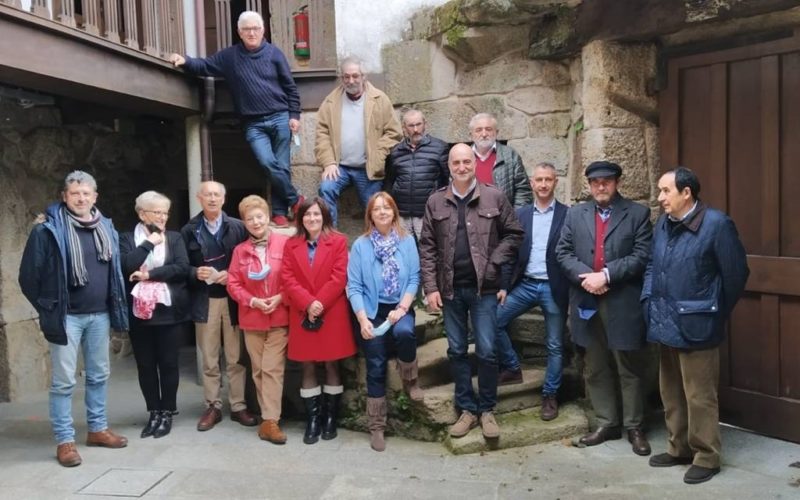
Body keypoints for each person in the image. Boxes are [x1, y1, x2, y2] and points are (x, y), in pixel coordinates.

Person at [643, 167, 749, 484]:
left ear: (686, 193)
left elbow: (736, 275)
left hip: (698, 325)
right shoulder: (664, 223)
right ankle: (678, 448)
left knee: (700, 395)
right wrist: (647, 299)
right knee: (671, 391)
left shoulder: (717, 224)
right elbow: (651, 264)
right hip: (664, 320)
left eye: (665, 191)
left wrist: (713, 311)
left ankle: (707, 455)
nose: (660, 197)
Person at [19, 170, 129, 467]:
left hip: (100, 315)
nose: (81, 198)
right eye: (75, 193)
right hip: (67, 317)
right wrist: (49, 308)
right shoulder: (46, 230)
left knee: (98, 375)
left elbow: (113, 269)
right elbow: (29, 276)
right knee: (64, 381)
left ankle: (97, 429)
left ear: (95, 196)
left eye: (86, 193)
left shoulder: (105, 226)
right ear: (64, 197)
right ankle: (65, 441)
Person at [419, 143, 523, 440]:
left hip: (484, 290)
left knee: (488, 350)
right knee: (456, 350)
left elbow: (514, 233)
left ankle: (487, 409)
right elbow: (427, 247)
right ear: (449, 166)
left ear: (474, 164)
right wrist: (430, 288)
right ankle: (467, 409)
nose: (462, 167)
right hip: (450, 290)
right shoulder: (436, 201)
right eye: (456, 162)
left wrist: (494, 262)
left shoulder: (494, 196)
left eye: (467, 161)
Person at [169, 11, 302, 228]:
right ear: (239, 32)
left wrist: (294, 115)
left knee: (282, 167)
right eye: (247, 29)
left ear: (263, 31)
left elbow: (290, 87)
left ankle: (279, 212)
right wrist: (185, 61)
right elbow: (205, 66)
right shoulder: (230, 57)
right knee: (268, 163)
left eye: (255, 29)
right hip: (253, 123)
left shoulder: (275, 54)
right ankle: (296, 201)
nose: (252, 33)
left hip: (280, 116)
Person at [556, 161, 653, 456]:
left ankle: (634, 426)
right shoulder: (575, 214)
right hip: (586, 299)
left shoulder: (637, 214)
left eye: (607, 181)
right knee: (595, 365)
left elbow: (641, 255)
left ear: (617, 183)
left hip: (621, 300)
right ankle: (607, 422)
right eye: (595, 182)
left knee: (629, 366)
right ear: (588, 185)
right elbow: (563, 252)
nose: (601, 186)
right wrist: (587, 277)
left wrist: (607, 275)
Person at [347, 192, 422, 452]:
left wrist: (403, 307)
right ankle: (377, 425)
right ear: (370, 215)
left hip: (399, 306)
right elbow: (354, 287)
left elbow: (414, 278)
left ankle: (410, 379)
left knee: (404, 333)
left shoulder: (407, 241)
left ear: (394, 212)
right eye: (376, 209)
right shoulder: (360, 245)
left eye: (386, 208)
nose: (381, 212)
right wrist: (362, 320)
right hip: (371, 309)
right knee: (376, 361)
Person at [180, 181, 258, 432]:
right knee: (210, 357)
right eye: (207, 195)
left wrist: (234, 275)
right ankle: (212, 405)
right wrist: (195, 272)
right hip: (205, 299)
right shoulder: (189, 230)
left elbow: (251, 259)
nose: (212, 199)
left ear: (224, 199)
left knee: (236, 357)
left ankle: (238, 405)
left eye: (217, 195)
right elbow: (180, 266)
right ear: (199, 198)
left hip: (234, 300)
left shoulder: (237, 226)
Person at [495, 163, 569, 422]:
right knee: (494, 320)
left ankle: (550, 395)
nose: (544, 184)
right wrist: (504, 286)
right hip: (525, 284)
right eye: (539, 180)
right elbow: (510, 253)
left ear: (555, 182)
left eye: (548, 179)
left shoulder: (567, 215)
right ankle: (513, 367)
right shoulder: (521, 214)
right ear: (532, 182)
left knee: (555, 345)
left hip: (553, 287)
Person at [281, 197, 357, 444]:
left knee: (333, 365)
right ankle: (312, 419)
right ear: (300, 218)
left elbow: (339, 276)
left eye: (316, 214)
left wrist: (319, 303)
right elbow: (287, 278)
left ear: (324, 216)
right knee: (308, 365)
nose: (312, 219)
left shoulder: (338, 242)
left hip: (331, 311)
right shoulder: (291, 244)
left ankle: (330, 417)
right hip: (303, 312)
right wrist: (307, 303)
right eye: (307, 215)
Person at [120, 191, 190, 439]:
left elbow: (182, 268)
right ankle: (154, 411)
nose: (162, 217)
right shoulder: (128, 238)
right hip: (139, 313)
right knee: (146, 366)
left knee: (169, 363)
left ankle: (168, 411)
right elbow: (127, 264)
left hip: (169, 311)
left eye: (165, 212)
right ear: (142, 214)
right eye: (156, 212)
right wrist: (150, 243)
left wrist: (150, 275)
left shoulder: (174, 237)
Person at [227, 195, 291, 445]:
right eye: (250, 218)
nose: (255, 222)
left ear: (267, 218)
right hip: (251, 316)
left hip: (278, 315)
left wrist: (280, 297)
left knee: (271, 368)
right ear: (244, 222)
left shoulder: (285, 244)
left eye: (259, 216)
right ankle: (268, 419)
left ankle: (271, 420)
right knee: (258, 371)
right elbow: (233, 283)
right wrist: (251, 301)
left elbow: (293, 276)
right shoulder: (240, 251)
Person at [315, 56, 402, 226]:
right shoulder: (331, 101)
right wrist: (329, 162)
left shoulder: (379, 99)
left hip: (367, 167)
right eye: (346, 76)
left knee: (375, 207)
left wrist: (378, 154)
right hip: (340, 167)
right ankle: (330, 238)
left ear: (364, 77)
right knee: (326, 189)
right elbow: (322, 133)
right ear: (342, 78)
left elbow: (394, 132)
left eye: (355, 76)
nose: (351, 80)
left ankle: (377, 242)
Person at [385, 109, 450, 240]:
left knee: (428, 251)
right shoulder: (395, 151)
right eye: (411, 125)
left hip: (427, 213)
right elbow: (390, 182)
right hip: (402, 214)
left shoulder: (440, 147)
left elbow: (448, 180)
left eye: (418, 124)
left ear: (425, 124)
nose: (415, 129)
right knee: (404, 250)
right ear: (404, 128)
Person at [469, 113, 532, 208]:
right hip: (471, 219)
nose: (484, 134)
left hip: (503, 219)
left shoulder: (510, 155)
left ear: (496, 132)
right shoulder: (463, 157)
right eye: (478, 130)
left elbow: (523, 190)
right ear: (471, 135)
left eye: (488, 129)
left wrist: (514, 217)